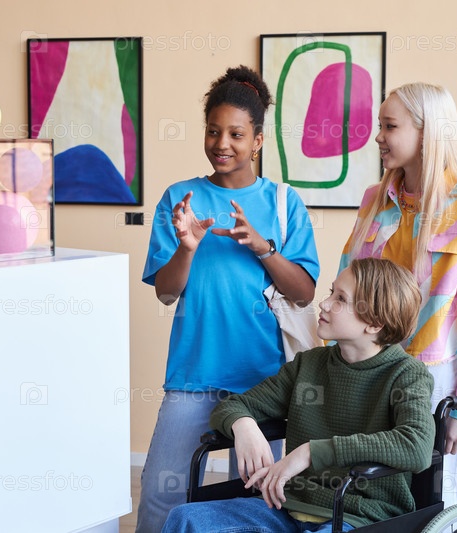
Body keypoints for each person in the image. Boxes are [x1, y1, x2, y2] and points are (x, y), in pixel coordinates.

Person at [137, 65, 320, 533]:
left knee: (258, 502)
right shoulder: (180, 198)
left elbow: (304, 293)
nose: (222, 143)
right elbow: (166, 292)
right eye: (213, 131)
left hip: (264, 382)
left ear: (257, 140)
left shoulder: (284, 203)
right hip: (193, 374)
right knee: (162, 494)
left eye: (236, 134)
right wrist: (186, 247)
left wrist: (263, 247)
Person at [162, 258, 435, 532]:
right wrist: (244, 426)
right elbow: (233, 406)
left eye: (340, 299)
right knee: (184, 519)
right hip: (287, 505)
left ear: (374, 323)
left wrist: (310, 453)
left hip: (358, 515)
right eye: (331, 292)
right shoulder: (309, 364)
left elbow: (417, 445)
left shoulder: (406, 373)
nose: (324, 304)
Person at [339, 82, 457, 506]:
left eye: (389, 126)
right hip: (366, 371)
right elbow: (346, 283)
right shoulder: (374, 201)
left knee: (436, 500)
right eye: (380, 125)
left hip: (432, 381)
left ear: (428, 131)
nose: (378, 137)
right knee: (369, 495)